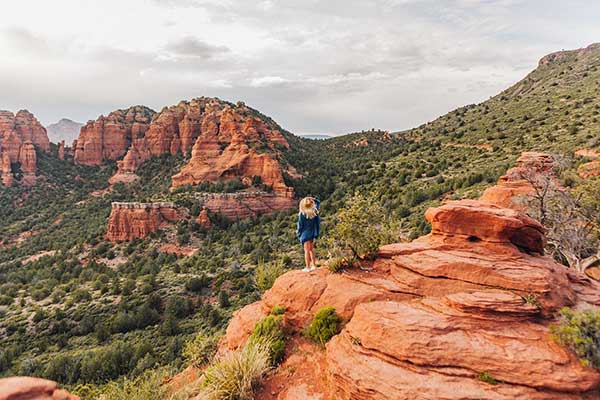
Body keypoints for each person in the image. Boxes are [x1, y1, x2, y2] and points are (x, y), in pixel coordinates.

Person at [297, 196, 320, 272]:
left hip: (305, 234)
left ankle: (307, 267)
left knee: (306, 250)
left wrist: (299, 234)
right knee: (311, 249)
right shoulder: (314, 212)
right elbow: (318, 202)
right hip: (312, 233)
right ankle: (314, 265)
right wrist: (312, 198)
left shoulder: (302, 214)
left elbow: (300, 226)